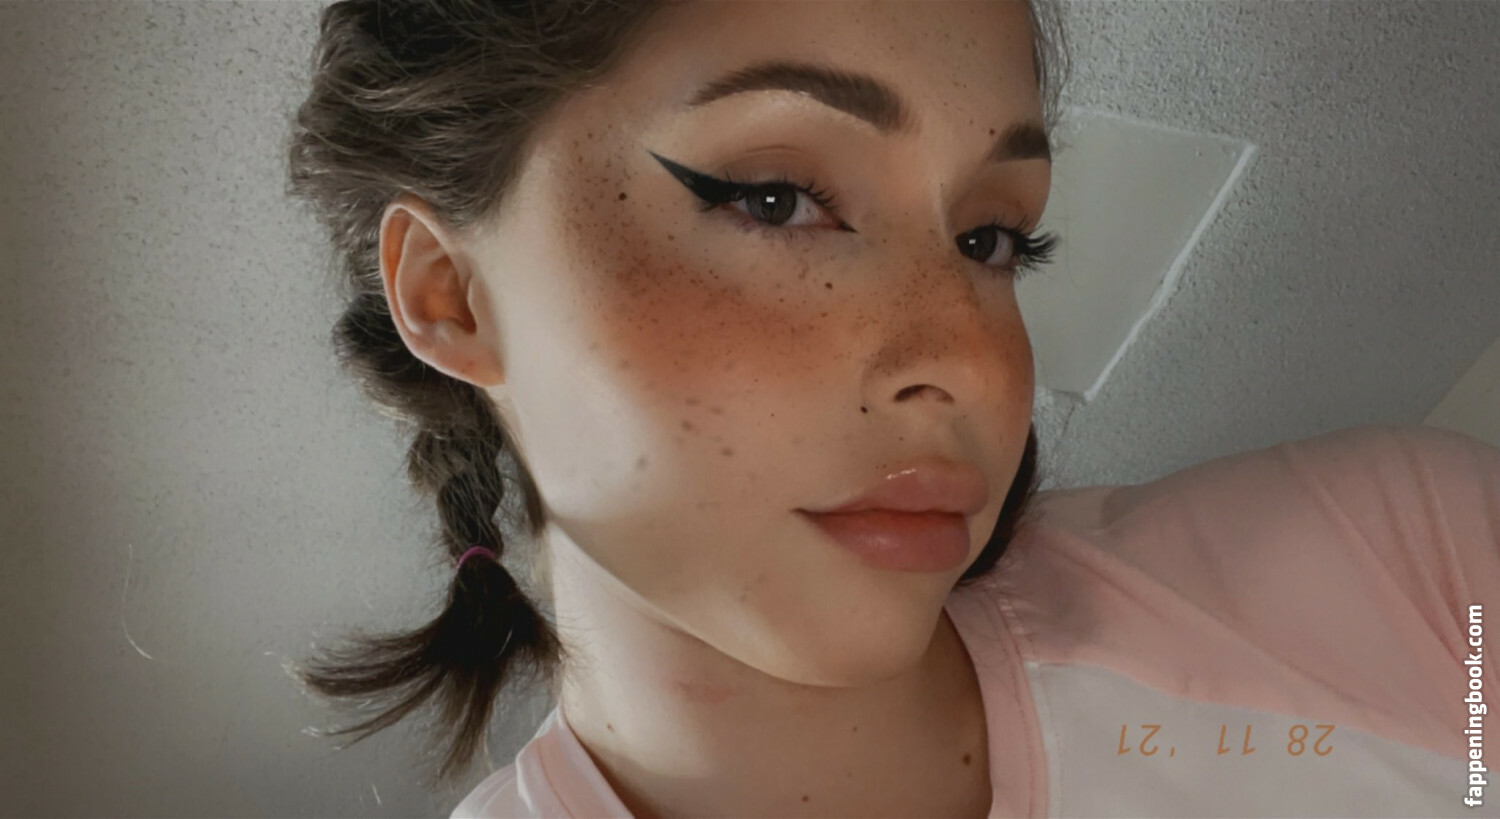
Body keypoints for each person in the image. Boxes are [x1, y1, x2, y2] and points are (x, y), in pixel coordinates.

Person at [281, 1, 1500, 817]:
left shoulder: (1416, 571)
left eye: (990, 237)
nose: (969, 360)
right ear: (451, 294)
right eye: (772, 200)